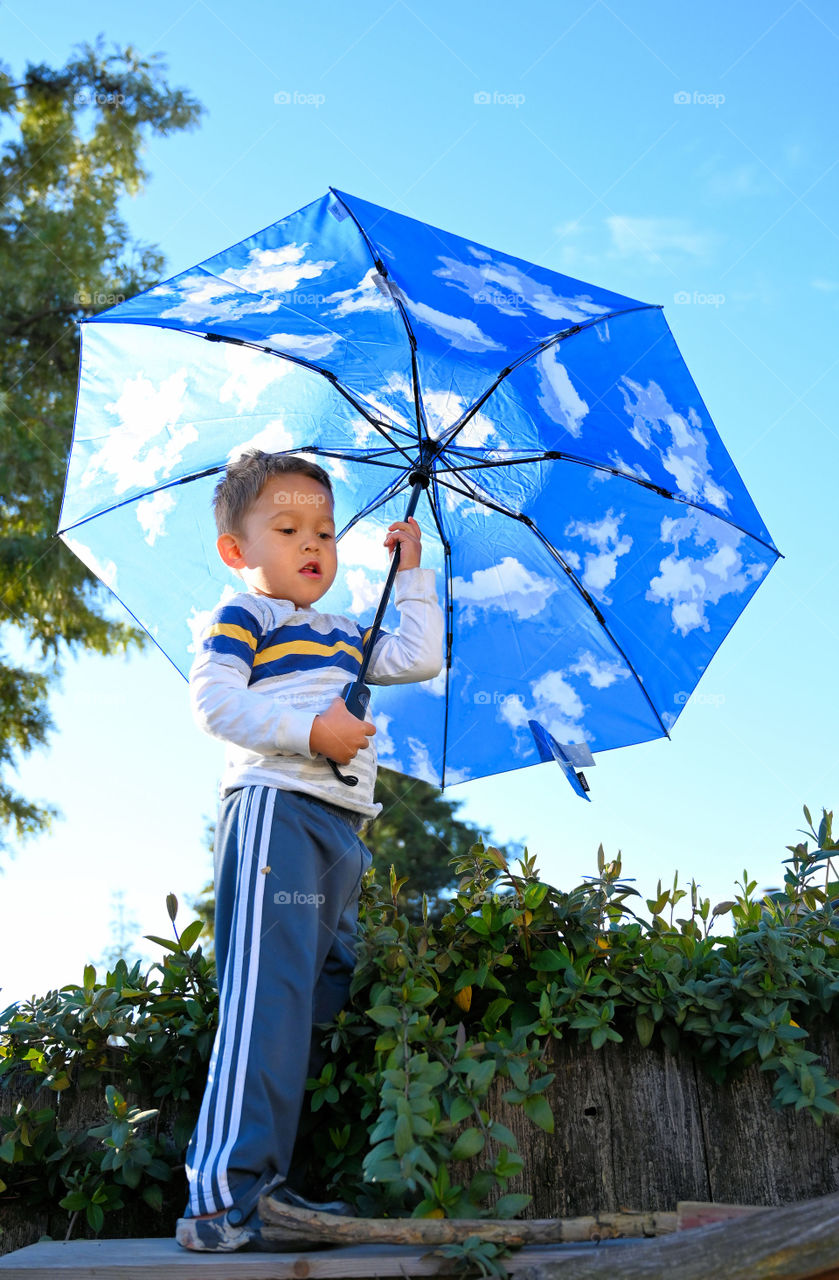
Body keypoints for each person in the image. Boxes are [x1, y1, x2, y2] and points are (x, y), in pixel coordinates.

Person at [176, 449, 443, 1252]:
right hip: (275, 813)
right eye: (288, 528)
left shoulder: (342, 634)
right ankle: (223, 1198)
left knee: (317, 994)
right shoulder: (244, 616)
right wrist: (309, 730)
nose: (312, 544)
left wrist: (414, 573)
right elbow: (213, 703)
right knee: (269, 995)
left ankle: (273, 1188)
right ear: (238, 551)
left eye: (325, 531)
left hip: (340, 828)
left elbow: (422, 655)